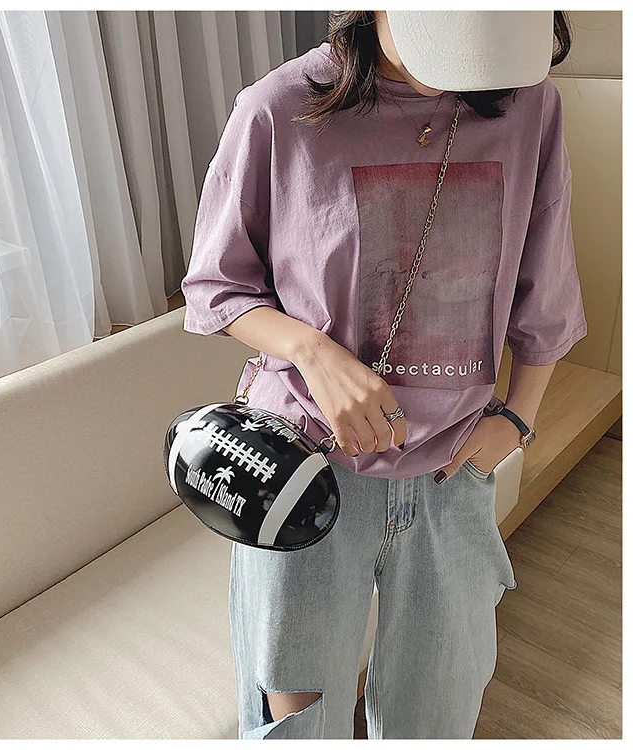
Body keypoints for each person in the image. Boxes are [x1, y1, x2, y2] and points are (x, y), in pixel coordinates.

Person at [180, 10, 588, 740]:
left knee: (436, 717)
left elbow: (546, 279)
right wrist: (313, 352)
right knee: (297, 727)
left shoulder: (527, 102)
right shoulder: (281, 108)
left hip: (451, 478)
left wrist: (519, 416)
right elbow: (217, 286)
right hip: (305, 472)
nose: (465, 62)